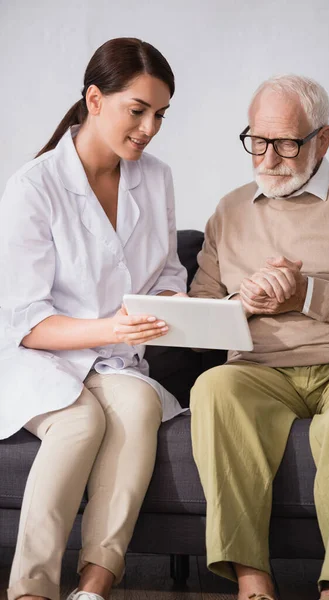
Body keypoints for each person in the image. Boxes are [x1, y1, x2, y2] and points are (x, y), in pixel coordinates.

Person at [189, 74, 329, 600]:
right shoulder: (229, 211)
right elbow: (197, 318)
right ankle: (252, 579)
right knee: (212, 387)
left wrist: (306, 294)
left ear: (322, 140)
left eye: (286, 143)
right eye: (257, 141)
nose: (268, 157)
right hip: (260, 370)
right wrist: (246, 304)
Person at [0, 37, 188, 600]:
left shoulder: (155, 177)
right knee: (79, 423)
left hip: (115, 360)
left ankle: (95, 583)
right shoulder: (34, 186)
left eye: (161, 115)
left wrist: (171, 305)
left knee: (134, 407)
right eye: (139, 110)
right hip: (40, 354)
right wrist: (113, 327)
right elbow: (26, 322)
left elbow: (169, 272)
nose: (150, 127)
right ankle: (30, 589)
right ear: (95, 99)